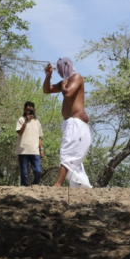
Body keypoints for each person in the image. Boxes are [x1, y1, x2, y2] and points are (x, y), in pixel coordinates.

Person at [44, 57, 92, 188]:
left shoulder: (77, 77)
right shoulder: (65, 82)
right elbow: (47, 90)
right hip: (70, 124)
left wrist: (63, 85)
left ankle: (58, 183)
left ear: (66, 66)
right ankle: (81, 186)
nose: (59, 72)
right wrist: (48, 76)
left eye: (60, 69)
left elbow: (68, 93)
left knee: (67, 152)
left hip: (77, 123)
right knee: (72, 155)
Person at [15, 101, 44, 186]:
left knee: (38, 171)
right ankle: (24, 187)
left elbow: (39, 137)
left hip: (35, 150)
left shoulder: (37, 122)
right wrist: (26, 122)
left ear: (34, 110)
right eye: (27, 109)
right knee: (24, 172)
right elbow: (20, 133)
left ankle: (35, 185)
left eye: (31, 109)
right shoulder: (21, 120)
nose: (29, 111)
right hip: (23, 151)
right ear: (24, 110)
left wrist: (41, 149)